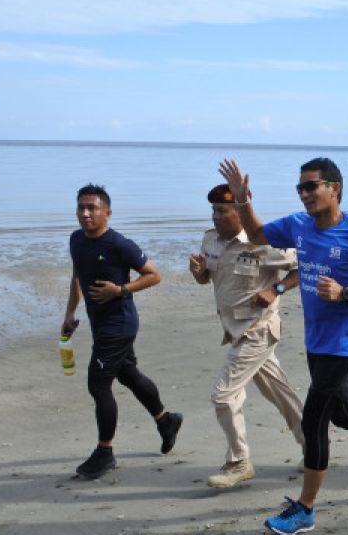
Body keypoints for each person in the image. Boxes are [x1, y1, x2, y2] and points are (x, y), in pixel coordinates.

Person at [218, 157, 348, 535]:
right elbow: (260, 234)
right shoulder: (298, 226)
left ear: (335, 188)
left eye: (312, 186)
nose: (304, 194)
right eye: (300, 187)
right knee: (342, 414)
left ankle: (305, 509)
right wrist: (243, 199)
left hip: (345, 341)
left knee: (314, 422)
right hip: (317, 339)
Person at [62, 184, 182, 479]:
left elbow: (154, 275)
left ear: (107, 213)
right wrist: (69, 313)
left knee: (98, 384)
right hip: (100, 322)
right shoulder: (77, 240)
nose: (86, 213)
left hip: (119, 324)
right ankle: (166, 421)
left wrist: (121, 290)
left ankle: (105, 452)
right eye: (81, 207)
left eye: (92, 208)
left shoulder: (119, 244)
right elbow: (77, 276)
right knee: (127, 374)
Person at [189, 183, 305, 489]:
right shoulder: (210, 240)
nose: (216, 217)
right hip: (234, 331)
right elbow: (208, 279)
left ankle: (238, 461)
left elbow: (304, 265)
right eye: (213, 210)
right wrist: (199, 273)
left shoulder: (264, 243)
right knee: (279, 392)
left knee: (223, 395)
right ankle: (314, 445)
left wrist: (276, 288)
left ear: (240, 211)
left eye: (223, 211)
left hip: (259, 330)